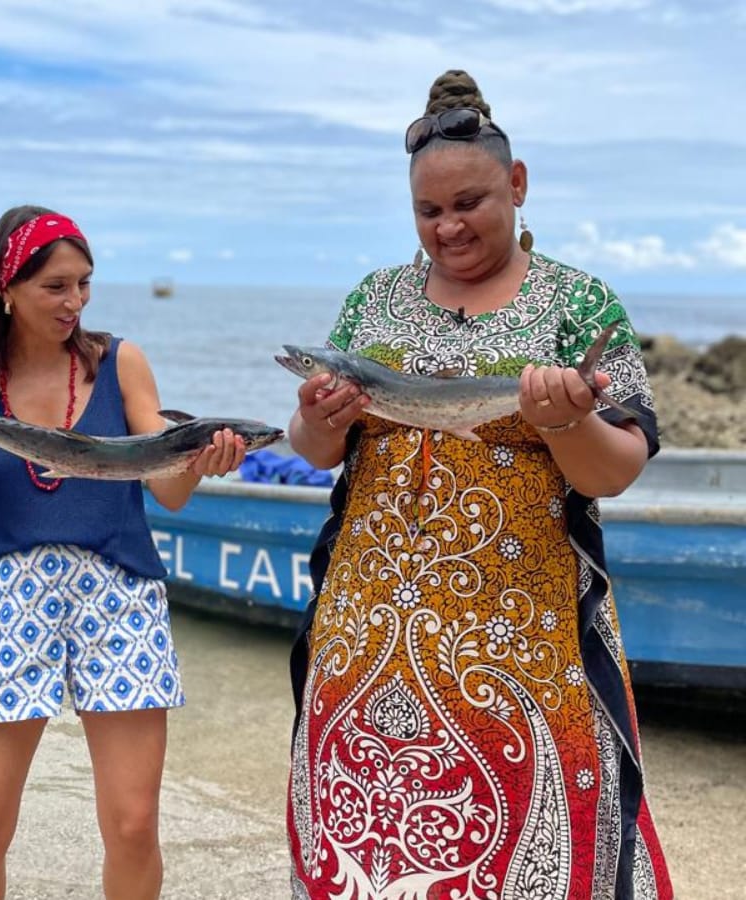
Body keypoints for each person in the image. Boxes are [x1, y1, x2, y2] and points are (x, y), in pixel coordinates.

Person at [284, 70, 673, 899]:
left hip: (524, 657)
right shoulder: (374, 301)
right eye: (429, 212)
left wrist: (566, 419)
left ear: (518, 183)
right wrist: (320, 419)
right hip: (367, 645)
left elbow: (621, 467)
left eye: (470, 203)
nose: (449, 226)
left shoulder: (580, 304)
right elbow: (315, 451)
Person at [0, 205, 246, 900]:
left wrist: (199, 459)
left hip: (120, 593)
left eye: (84, 283)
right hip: (10, 597)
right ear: (6, 289)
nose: (75, 302)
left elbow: (169, 490)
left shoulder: (121, 362)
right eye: (56, 287)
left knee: (133, 827)